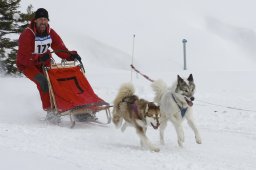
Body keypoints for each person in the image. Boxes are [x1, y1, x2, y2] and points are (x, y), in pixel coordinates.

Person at [16, 8, 87, 124]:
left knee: (58, 81)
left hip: (44, 62)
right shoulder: (27, 34)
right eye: (40, 19)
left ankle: (76, 108)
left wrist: (71, 55)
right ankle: (50, 112)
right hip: (28, 66)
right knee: (44, 83)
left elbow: (60, 48)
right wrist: (39, 58)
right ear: (35, 20)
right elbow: (24, 58)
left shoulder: (50, 32)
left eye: (45, 19)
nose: (43, 22)